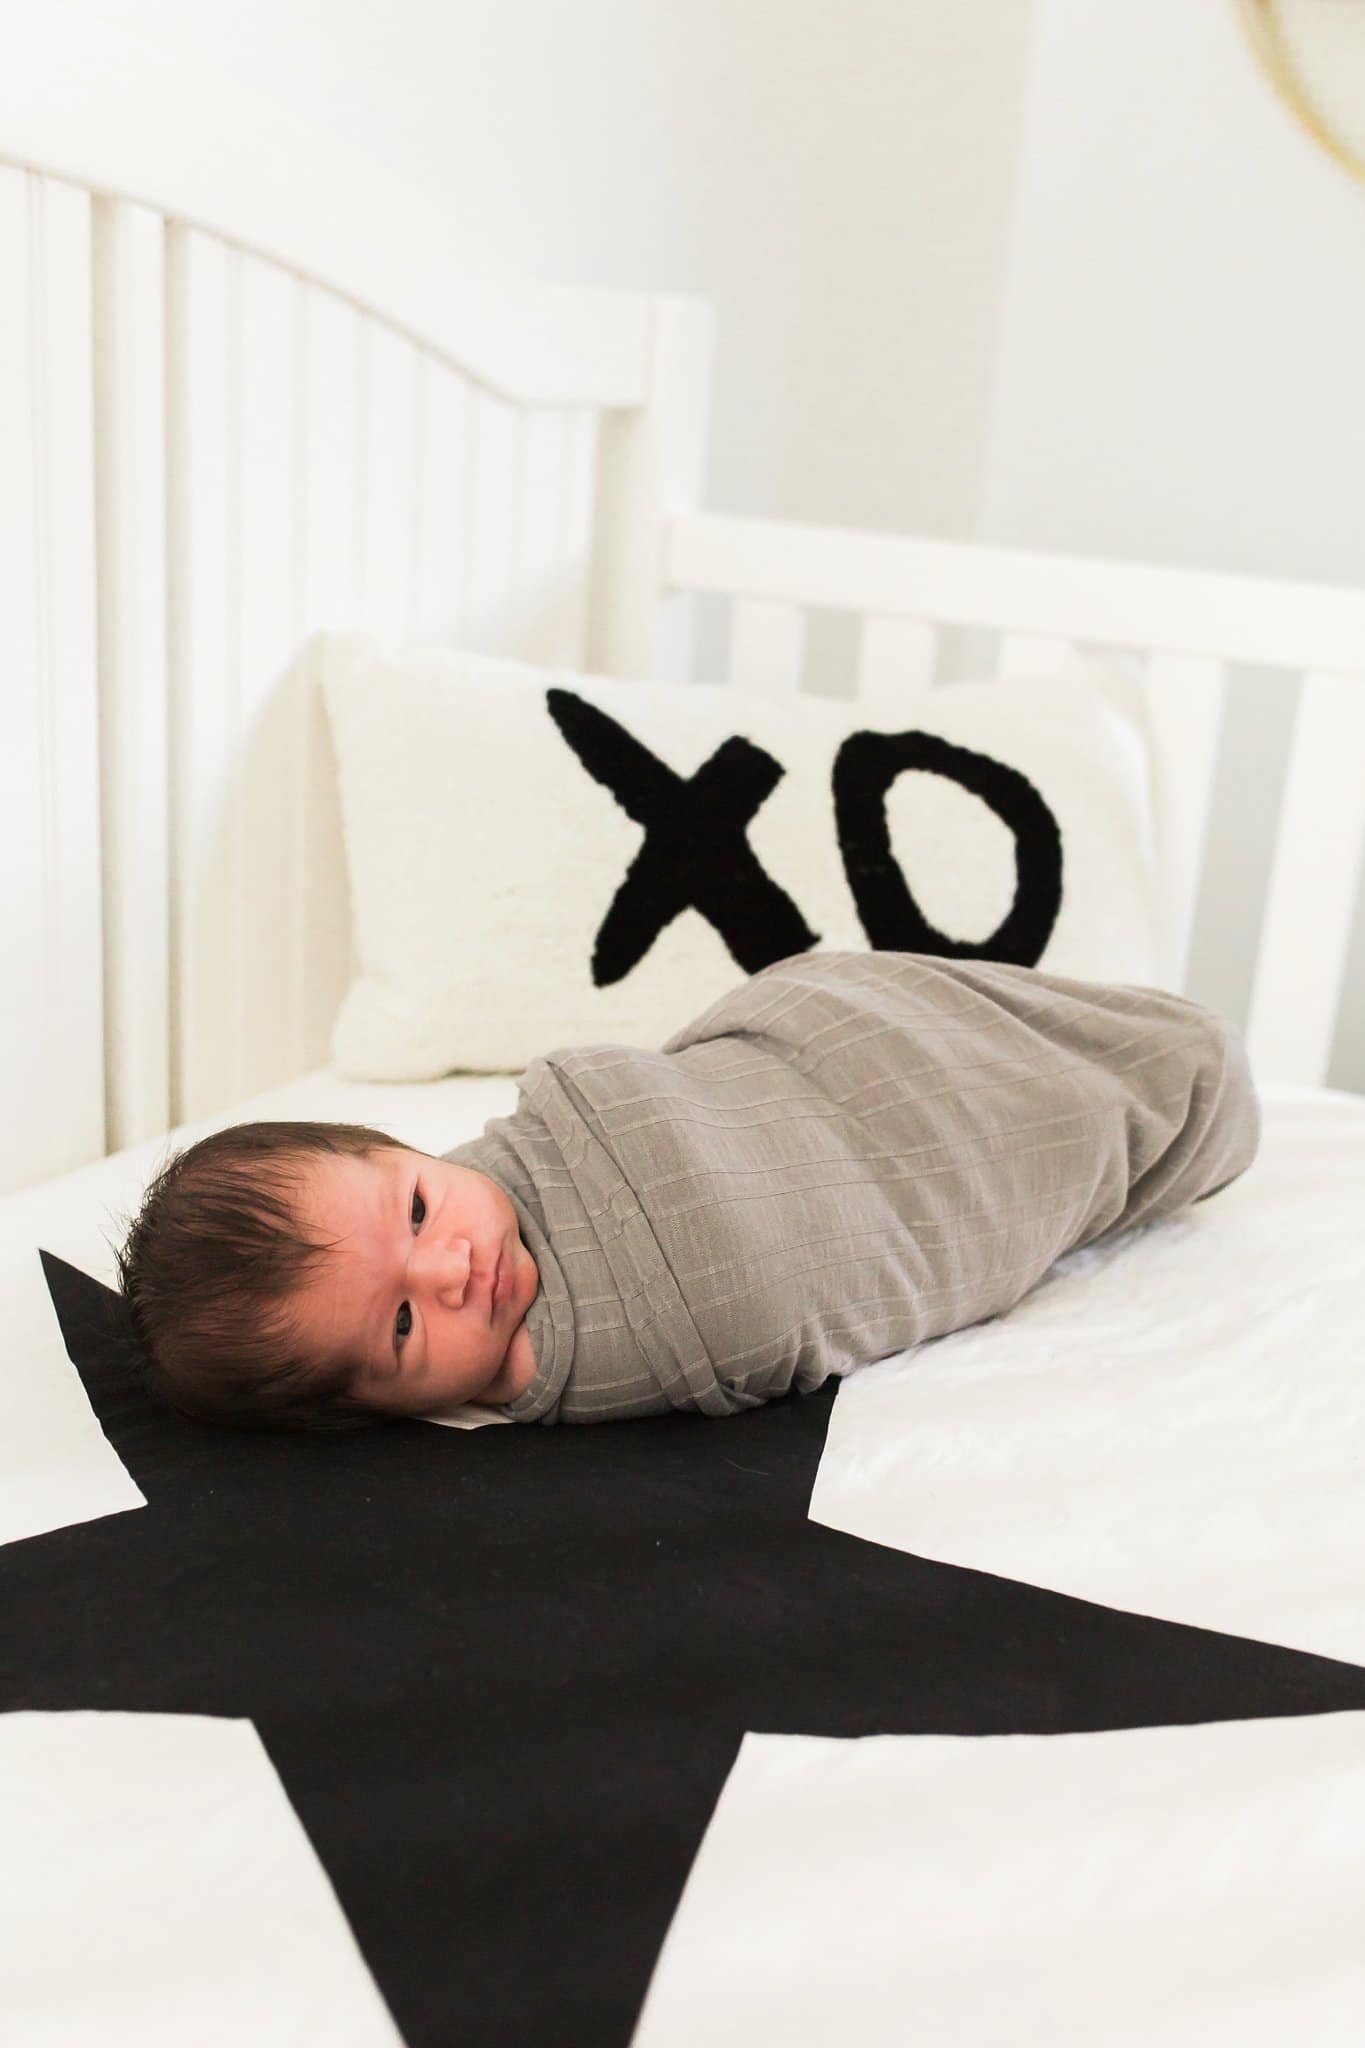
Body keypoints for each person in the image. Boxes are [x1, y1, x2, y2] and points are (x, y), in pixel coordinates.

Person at [115, 949, 1262, 1435]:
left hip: (836, 1048)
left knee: (863, 1006)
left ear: (402, 1149)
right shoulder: (560, 1363)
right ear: (374, 1411)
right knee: (1078, 1113)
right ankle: (1186, 1093)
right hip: (924, 1177)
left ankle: (1161, 1054)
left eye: (417, 1208)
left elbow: (633, 1098)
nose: (453, 1266)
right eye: (404, 1324)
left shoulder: (526, 1150)